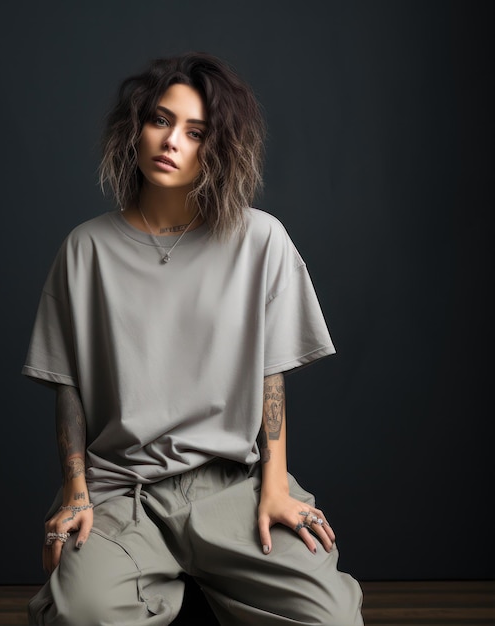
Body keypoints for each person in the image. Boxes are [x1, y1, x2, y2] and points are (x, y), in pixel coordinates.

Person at [23, 51, 364, 625]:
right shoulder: (86, 248)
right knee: (80, 615)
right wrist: (75, 493)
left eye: (195, 131)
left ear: (219, 147)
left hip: (230, 485)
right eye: (160, 120)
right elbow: (68, 387)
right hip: (120, 490)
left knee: (329, 617)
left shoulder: (261, 241)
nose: (171, 140)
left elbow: (269, 375)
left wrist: (276, 488)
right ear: (136, 128)